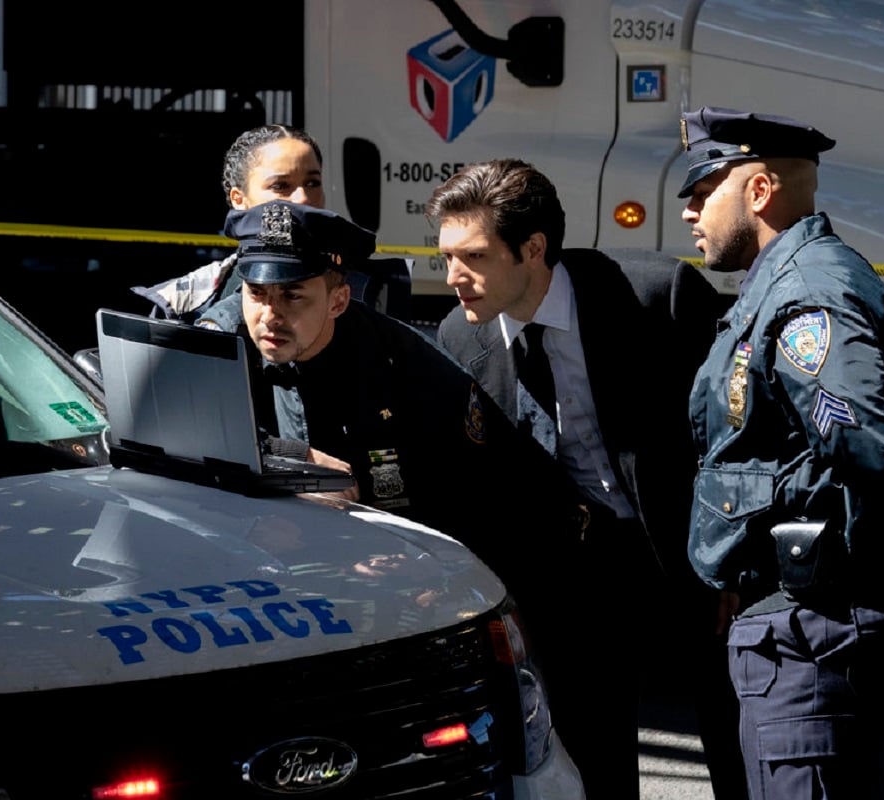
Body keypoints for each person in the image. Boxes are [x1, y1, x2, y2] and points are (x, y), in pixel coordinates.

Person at [677, 106, 884, 800]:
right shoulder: (785, 283)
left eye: (703, 192)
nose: (691, 213)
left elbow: (864, 436)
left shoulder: (806, 292)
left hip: (820, 625)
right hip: (803, 617)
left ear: (758, 191)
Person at [425, 159, 747, 800]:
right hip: (572, 572)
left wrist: (732, 560)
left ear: (534, 249)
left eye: (474, 256)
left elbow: (734, 434)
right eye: (446, 256)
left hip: (683, 548)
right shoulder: (461, 338)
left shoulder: (656, 296)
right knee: (594, 761)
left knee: (740, 745)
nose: (453, 277)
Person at [194, 198, 594, 671]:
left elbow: (488, 491)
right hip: (268, 584)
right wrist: (288, 461)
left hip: (395, 584)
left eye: (293, 296)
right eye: (256, 293)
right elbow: (169, 435)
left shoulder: (411, 371)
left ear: (338, 300)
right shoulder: (219, 347)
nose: (270, 315)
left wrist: (423, 560)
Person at [132, 124, 408, 323]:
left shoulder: (372, 289)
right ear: (239, 199)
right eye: (281, 186)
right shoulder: (184, 301)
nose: (302, 198)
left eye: (313, 183)